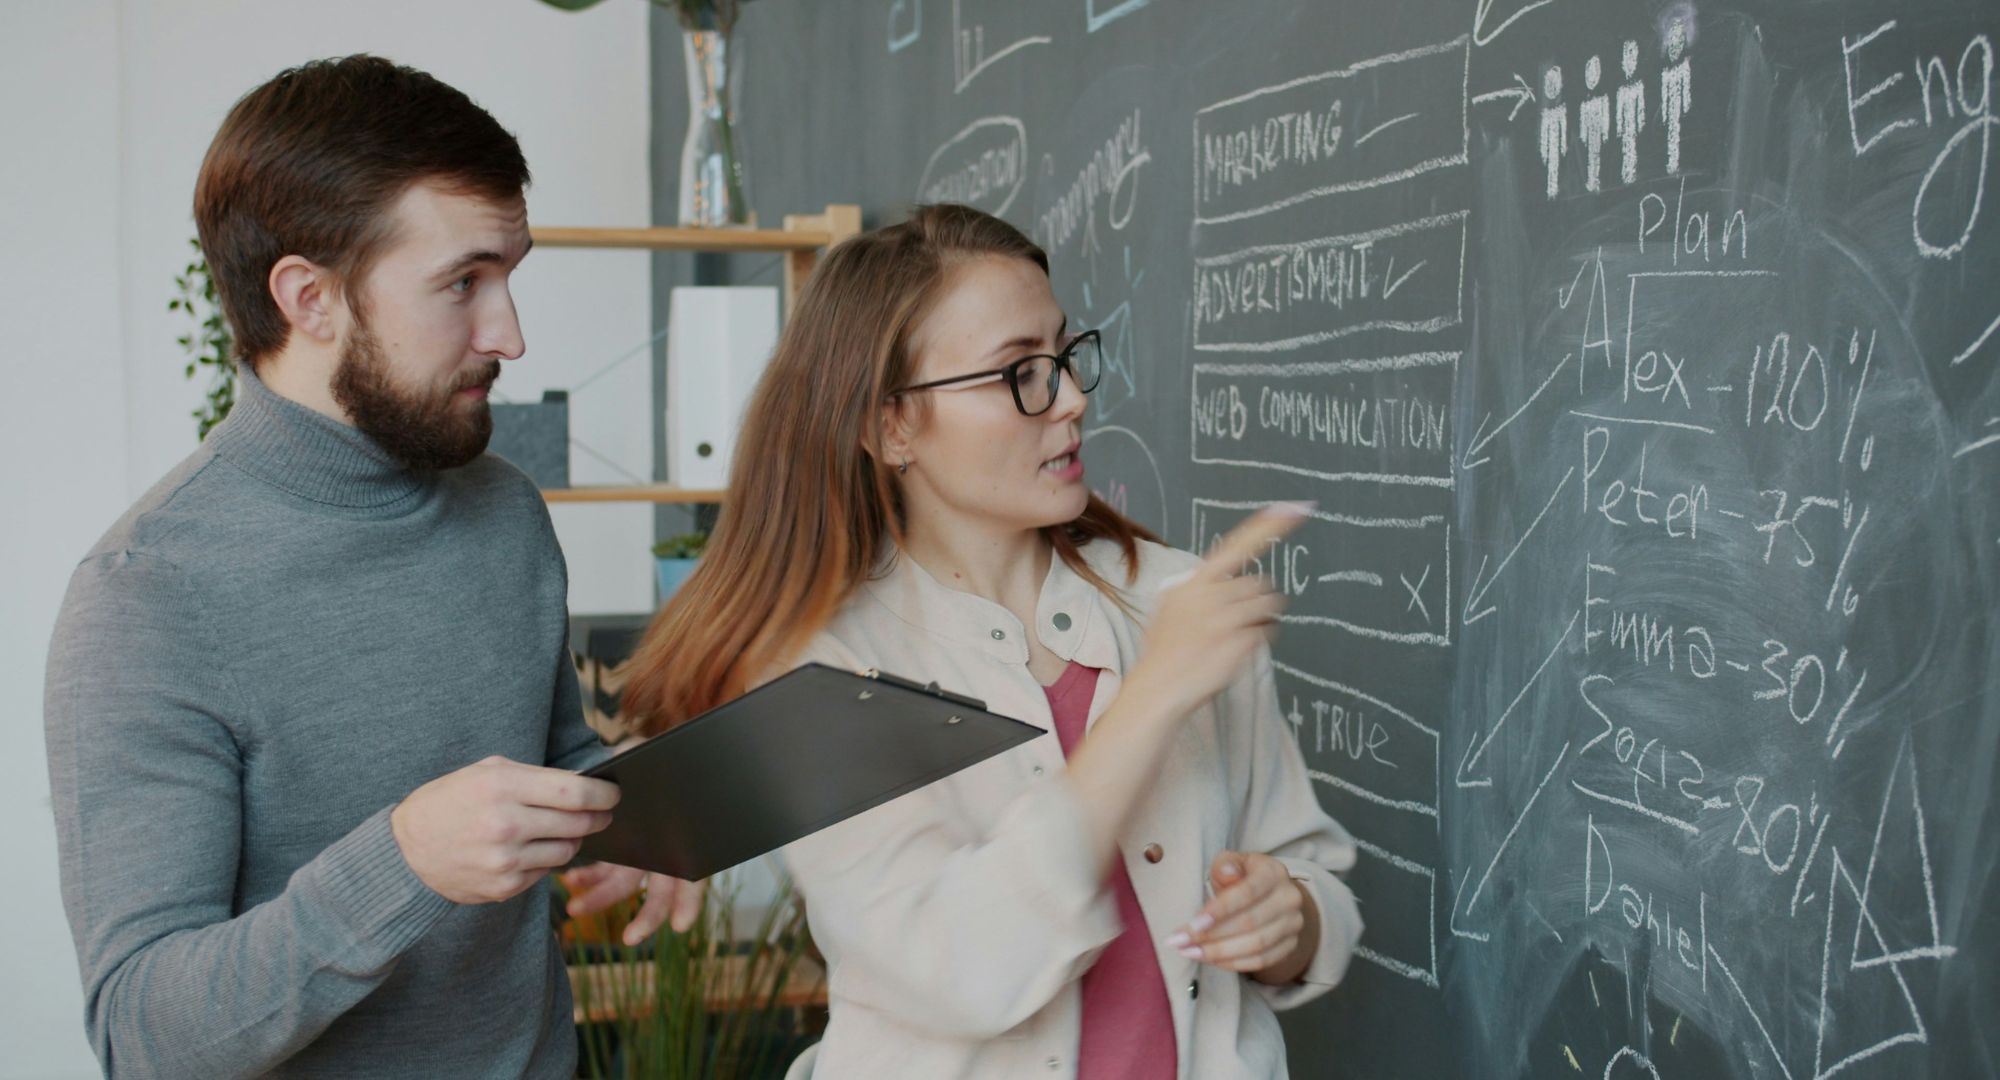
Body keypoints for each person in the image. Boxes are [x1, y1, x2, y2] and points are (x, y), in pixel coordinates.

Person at [42, 55, 696, 1079]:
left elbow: (552, 762)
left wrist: (635, 827)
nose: (510, 335)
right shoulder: (145, 596)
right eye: (462, 284)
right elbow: (145, 1033)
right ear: (310, 298)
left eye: (510, 277)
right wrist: (403, 863)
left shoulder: (505, 510)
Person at [616, 204, 1363, 1078]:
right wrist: (1154, 696)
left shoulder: (1174, 600)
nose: (1073, 398)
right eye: (1019, 373)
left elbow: (1309, 871)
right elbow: (964, 970)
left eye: (1064, 356)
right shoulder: (817, 668)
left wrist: (1292, 919)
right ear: (890, 426)